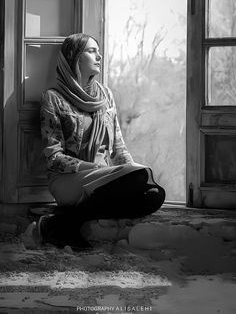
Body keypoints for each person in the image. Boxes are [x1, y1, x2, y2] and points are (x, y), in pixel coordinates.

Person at [23, 33, 165, 250]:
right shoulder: (54, 98)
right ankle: (66, 224)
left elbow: (118, 146)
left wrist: (129, 172)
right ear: (74, 58)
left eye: (98, 51)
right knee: (137, 178)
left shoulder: (105, 95)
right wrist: (94, 167)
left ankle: (59, 224)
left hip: (102, 177)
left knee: (154, 194)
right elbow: (53, 157)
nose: (99, 56)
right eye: (91, 51)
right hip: (69, 179)